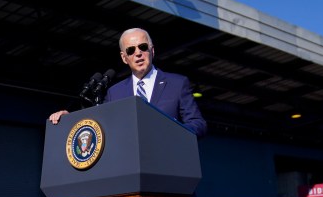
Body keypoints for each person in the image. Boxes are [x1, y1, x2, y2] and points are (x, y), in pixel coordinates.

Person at [49, 28, 207, 138]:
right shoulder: (114, 92)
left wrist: (175, 131)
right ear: (124, 58)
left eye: (142, 47)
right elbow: (99, 126)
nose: (138, 53)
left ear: (152, 51)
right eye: (131, 50)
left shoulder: (177, 83)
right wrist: (70, 120)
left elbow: (198, 124)